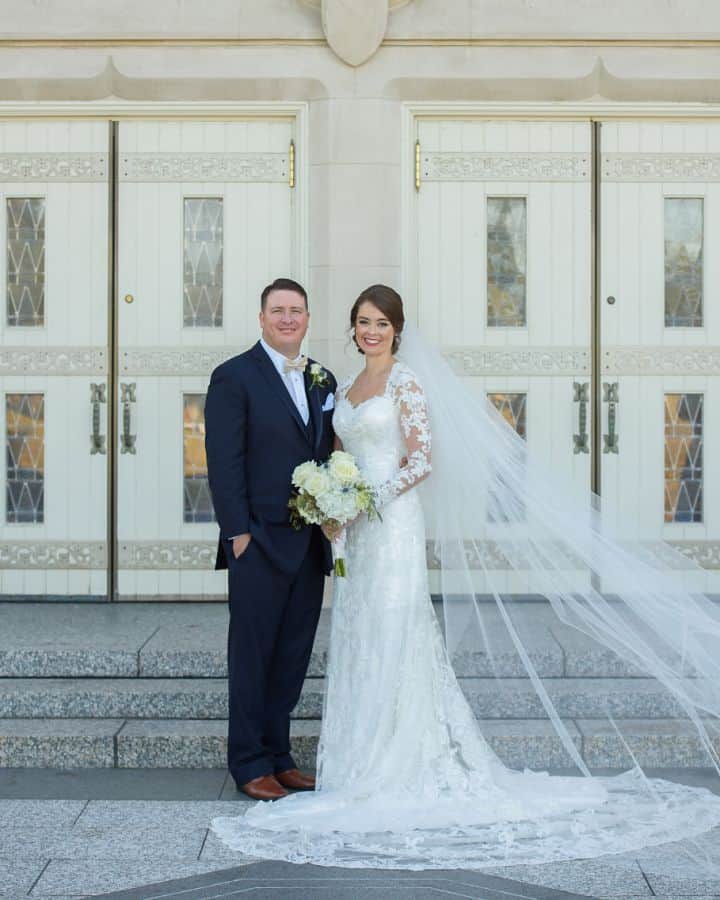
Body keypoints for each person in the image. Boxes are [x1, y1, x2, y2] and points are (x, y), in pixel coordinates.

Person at [212, 284, 720, 869]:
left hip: (380, 527)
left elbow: (420, 458)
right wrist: (249, 529)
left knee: (355, 640)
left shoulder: (359, 380)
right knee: (281, 645)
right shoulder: (314, 383)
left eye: (379, 322)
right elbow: (237, 457)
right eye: (361, 322)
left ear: (396, 329)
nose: (369, 330)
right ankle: (256, 762)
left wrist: (358, 503)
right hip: (302, 536)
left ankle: (294, 758)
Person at [204, 277, 337, 801]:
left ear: (307, 319)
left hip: (306, 543)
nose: (287, 319)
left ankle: (279, 756)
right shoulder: (233, 377)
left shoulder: (321, 380)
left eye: (296, 311)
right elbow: (224, 461)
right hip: (256, 541)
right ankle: (249, 762)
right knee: (253, 653)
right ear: (261, 318)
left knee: (292, 652)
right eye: (278, 310)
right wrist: (237, 532)